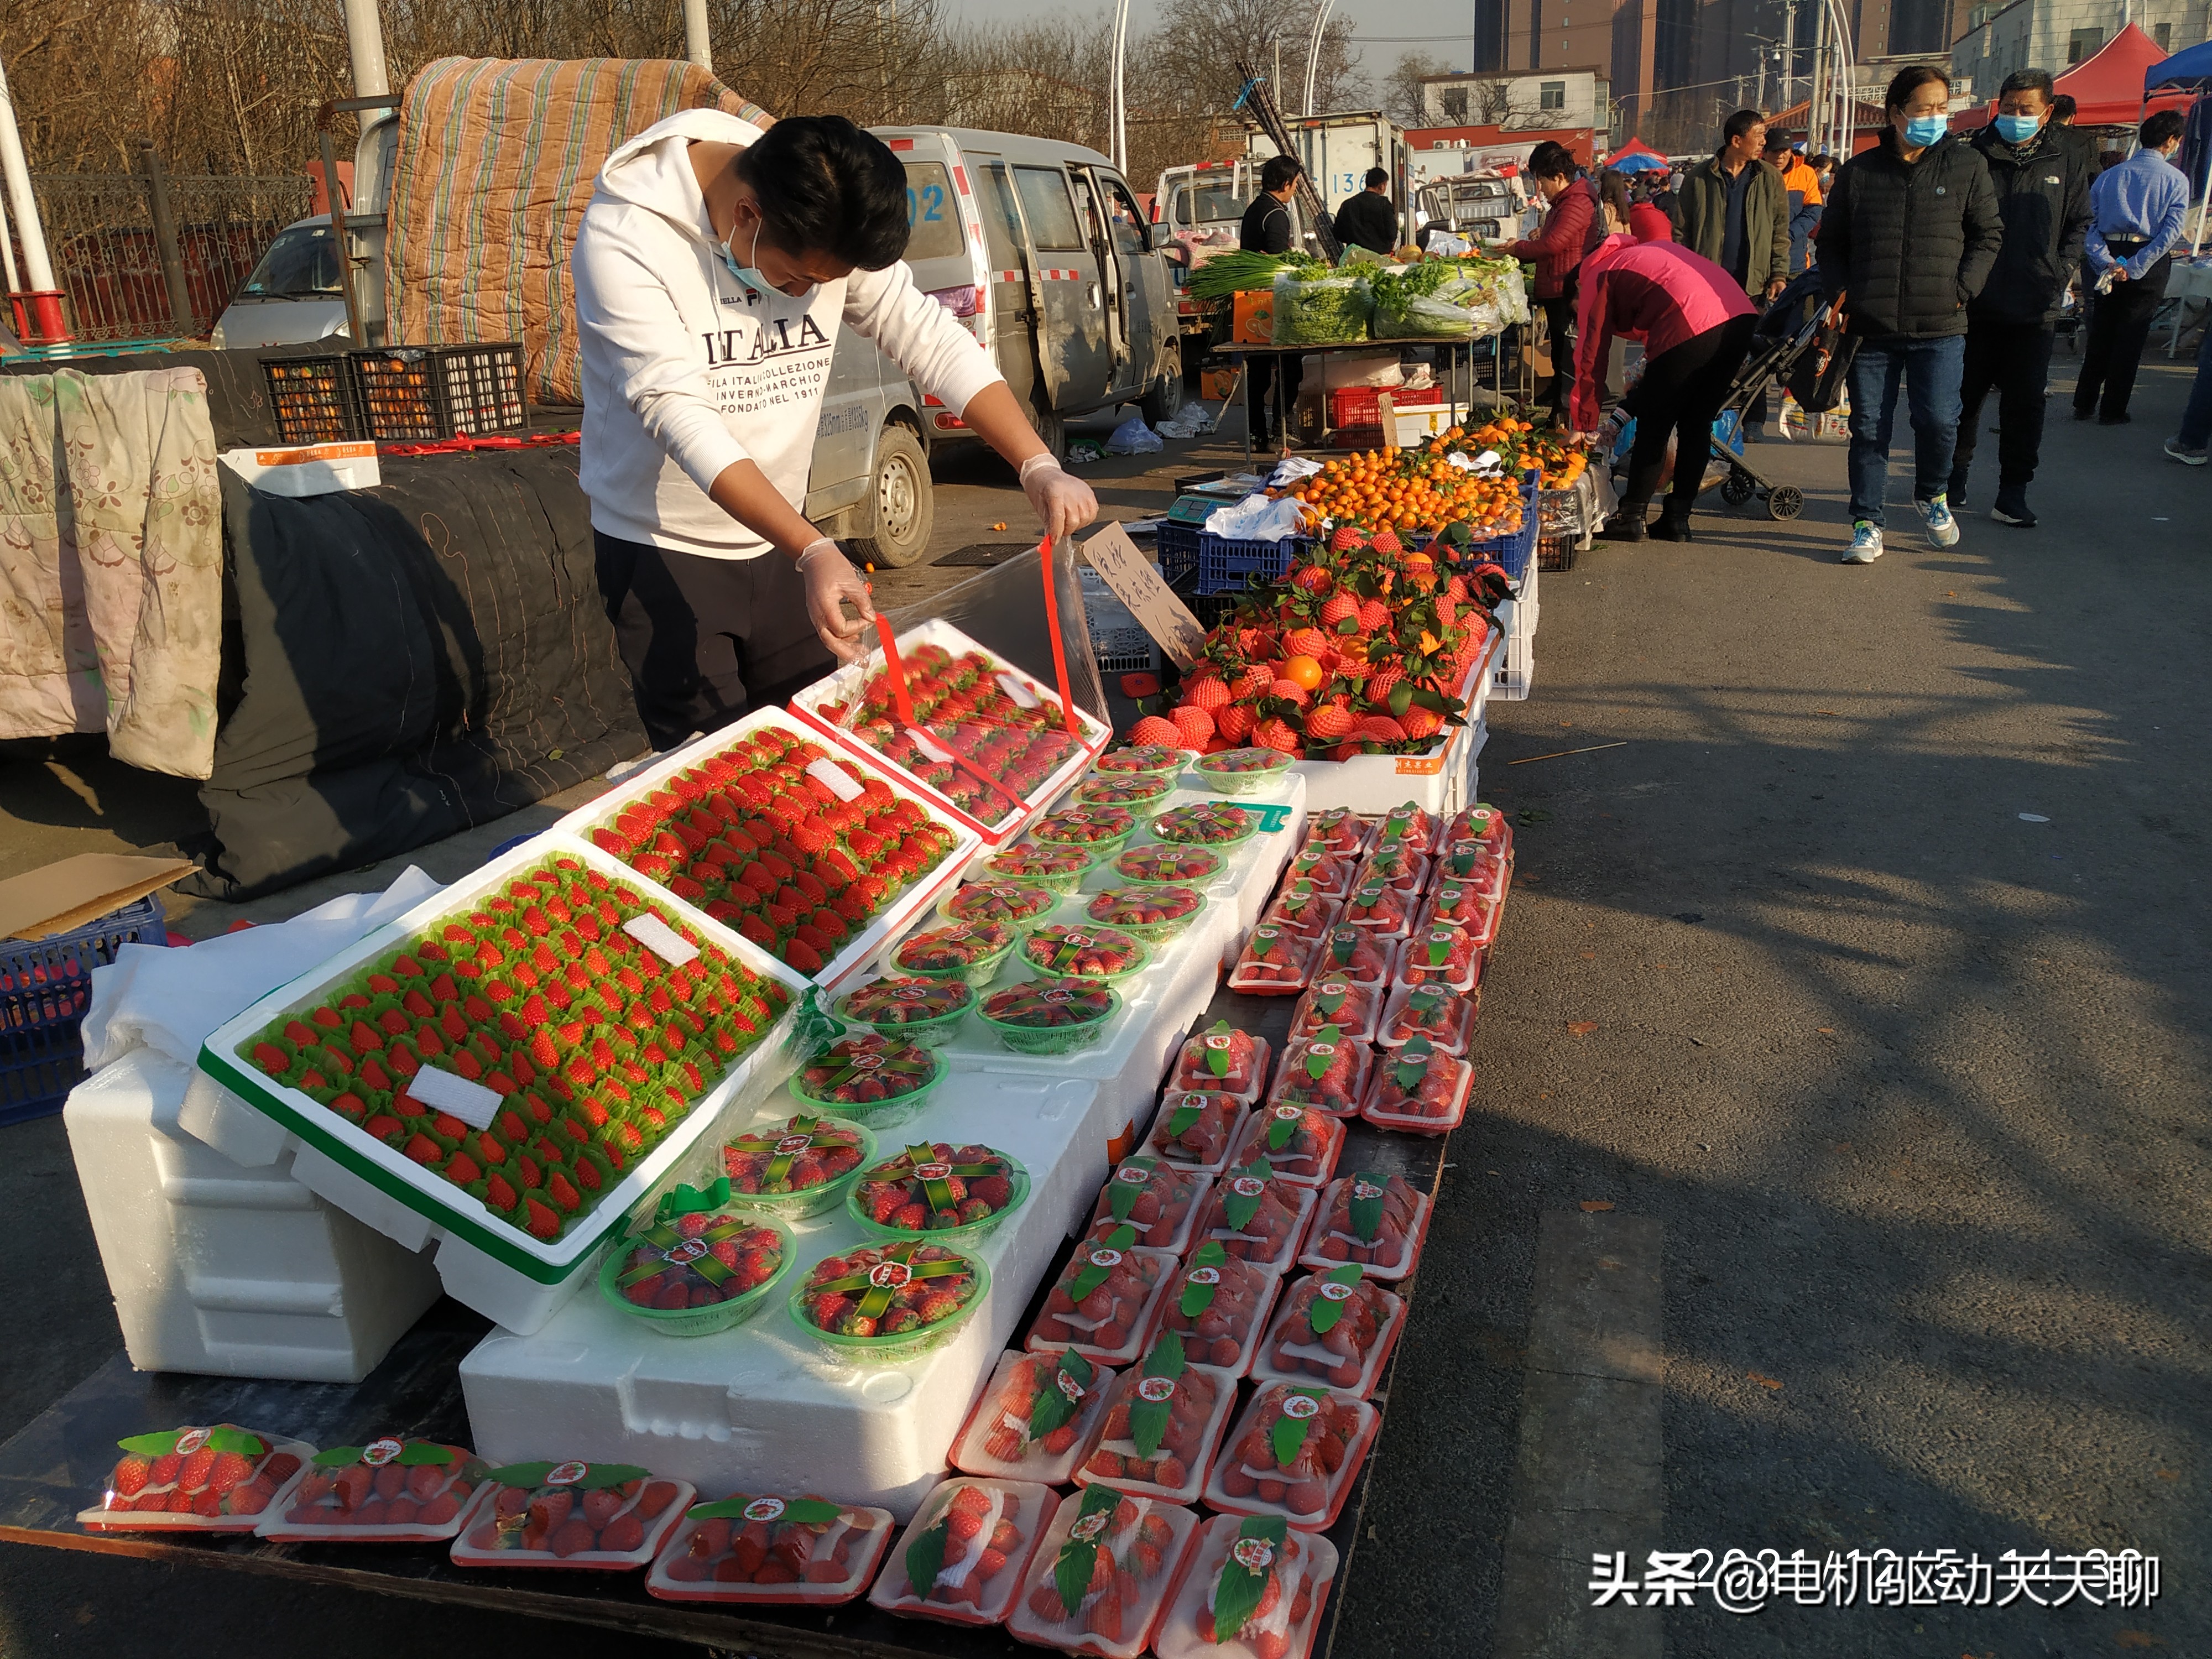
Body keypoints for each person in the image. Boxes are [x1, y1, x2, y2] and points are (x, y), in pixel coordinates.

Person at [572, 111, 1096, 750]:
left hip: (782, 537)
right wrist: (814, 550)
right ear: (747, 215)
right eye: (799, 280)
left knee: (828, 742)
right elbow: (679, 416)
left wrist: (1035, 463)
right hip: (665, 546)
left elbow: (928, 338)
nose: (807, 295)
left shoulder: (823, 208)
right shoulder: (624, 236)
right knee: (723, 772)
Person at [1815, 64, 2002, 564]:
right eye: (1925, 109)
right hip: (1870, 328)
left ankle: (1932, 494)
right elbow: (1830, 243)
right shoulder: (1860, 172)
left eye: (1943, 108)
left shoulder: (1966, 166)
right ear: (1897, 113)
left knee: (1940, 421)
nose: (1936, 117)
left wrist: (1963, 289)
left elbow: (1988, 236)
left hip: (1941, 325)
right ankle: (1866, 523)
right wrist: (1843, 293)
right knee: (1871, 428)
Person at [1569, 181, 1757, 541]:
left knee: (1656, 422)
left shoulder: (1597, 273)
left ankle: (1632, 517)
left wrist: (1584, 422)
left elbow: (1591, 353)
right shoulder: (1643, 255)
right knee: (1696, 423)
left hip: (1692, 322)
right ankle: (1677, 518)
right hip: (1739, 316)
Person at [1947, 68, 2093, 528]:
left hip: (2036, 306)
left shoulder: (2067, 155)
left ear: (2047, 111)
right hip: (1975, 303)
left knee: (2025, 404)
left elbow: (2080, 222)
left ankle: (2013, 491)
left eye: (2025, 110)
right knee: (1962, 399)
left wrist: (2061, 272)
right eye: (2007, 108)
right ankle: (1954, 478)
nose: (2014, 116)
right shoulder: (1972, 153)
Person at [2073, 109, 2190, 425]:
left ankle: (2083, 402)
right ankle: (2113, 409)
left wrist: (2107, 261)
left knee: (2102, 331)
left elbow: (2090, 224)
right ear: (2170, 141)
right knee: (2131, 336)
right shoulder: (2176, 179)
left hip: (2111, 251)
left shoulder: (2111, 175)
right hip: (2147, 257)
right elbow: (2170, 232)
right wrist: (2137, 265)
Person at [1504, 140, 1603, 425]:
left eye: (1542, 181)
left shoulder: (1577, 201)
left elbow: (1555, 245)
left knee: (1566, 353)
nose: (1541, 189)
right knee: (1560, 351)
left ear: (1559, 177)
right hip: (1557, 286)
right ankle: (1558, 402)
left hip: (1567, 287)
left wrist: (1517, 249)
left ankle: (1563, 413)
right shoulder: (1564, 202)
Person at [1678, 111, 1791, 301]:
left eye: (1764, 135)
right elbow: (1682, 232)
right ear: (1737, 141)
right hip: (1706, 285)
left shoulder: (1770, 178)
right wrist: (1686, 275)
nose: (1764, 142)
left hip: (1753, 287)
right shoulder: (1698, 178)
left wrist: (1779, 275)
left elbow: (1780, 232)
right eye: (1758, 136)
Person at [1241, 153, 1305, 450]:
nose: (1295, 191)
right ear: (1285, 183)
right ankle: (1282, 429)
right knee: (1290, 368)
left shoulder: (1254, 209)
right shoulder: (1277, 214)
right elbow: (1278, 265)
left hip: (1250, 302)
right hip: (1272, 304)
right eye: (1295, 185)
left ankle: (1257, 435)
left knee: (1258, 374)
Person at [1767, 132, 1824, 276]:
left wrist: (1787, 236)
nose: (1780, 156)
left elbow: (1814, 211)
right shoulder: (1755, 173)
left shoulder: (1806, 173)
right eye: (1775, 151)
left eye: (1785, 151)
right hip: (1760, 263)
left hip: (1794, 261)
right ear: (1765, 152)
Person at [1333, 166, 1399, 255]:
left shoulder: (1348, 204)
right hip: (1380, 259)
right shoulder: (1384, 204)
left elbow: (1338, 234)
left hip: (1354, 258)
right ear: (1382, 186)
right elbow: (1392, 234)